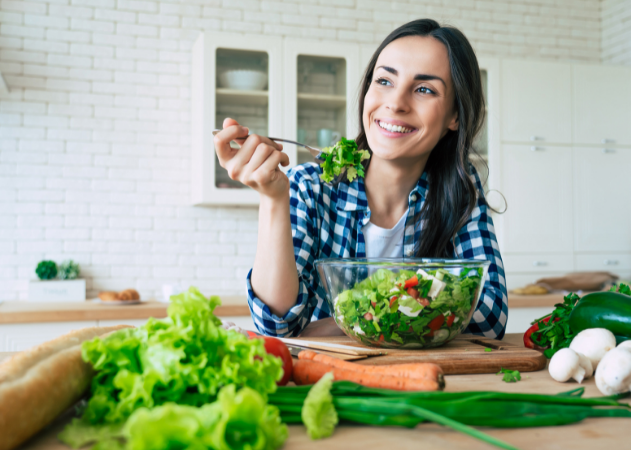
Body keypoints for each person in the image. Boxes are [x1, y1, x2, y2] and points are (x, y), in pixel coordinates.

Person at [213, 19, 508, 340]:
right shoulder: (310, 186)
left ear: (454, 116)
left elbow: (490, 315)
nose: (396, 103)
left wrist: (345, 320)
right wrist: (272, 198)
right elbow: (278, 324)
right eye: (384, 81)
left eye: (424, 89)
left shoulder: (461, 189)